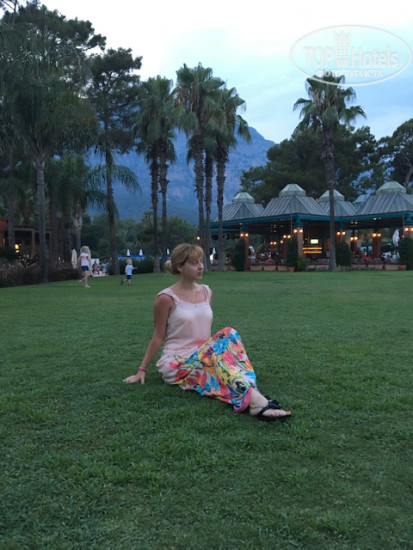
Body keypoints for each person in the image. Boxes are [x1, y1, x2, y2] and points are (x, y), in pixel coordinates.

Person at [124, 243, 291, 421]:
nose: (201, 266)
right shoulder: (166, 298)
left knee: (229, 334)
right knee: (222, 364)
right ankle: (257, 401)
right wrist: (141, 370)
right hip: (179, 362)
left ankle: (253, 397)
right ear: (180, 267)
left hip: (206, 356)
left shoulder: (207, 292)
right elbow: (158, 336)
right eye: (194, 263)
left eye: (201, 261)